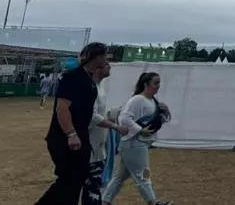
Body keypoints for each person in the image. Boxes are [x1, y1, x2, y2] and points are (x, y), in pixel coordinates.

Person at [36, 42, 109, 205]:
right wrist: (71, 134)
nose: (106, 60)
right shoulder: (72, 78)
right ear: (97, 57)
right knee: (69, 180)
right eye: (104, 56)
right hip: (64, 138)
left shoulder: (90, 81)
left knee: (76, 179)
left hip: (81, 137)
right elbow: (62, 108)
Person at [102, 72, 173, 205]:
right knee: (144, 173)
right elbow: (124, 118)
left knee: (120, 176)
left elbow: (156, 122)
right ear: (146, 84)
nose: (158, 86)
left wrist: (166, 112)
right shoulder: (138, 100)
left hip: (138, 143)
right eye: (155, 83)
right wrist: (140, 130)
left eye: (159, 83)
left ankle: (105, 200)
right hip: (134, 143)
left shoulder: (153, 101)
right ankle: (153, 201)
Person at [85, 54, 126, 205]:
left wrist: (111, 117)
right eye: (106, 64)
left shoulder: (100, 87)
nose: (110, 67)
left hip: (99, 146)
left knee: (95, 187)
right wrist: (115, 126)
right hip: (89, 145)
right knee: (90, 187)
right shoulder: (90, 88)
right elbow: (92, 116)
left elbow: (99, 114)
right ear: (97, 68)